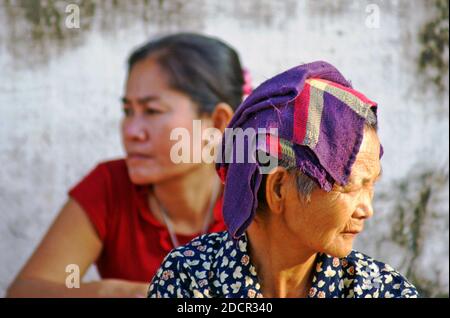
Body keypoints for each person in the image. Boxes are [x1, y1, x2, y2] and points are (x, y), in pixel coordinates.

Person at [147, 61, 419, 298]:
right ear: (278, 189)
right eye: (349, 187)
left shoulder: (379, 289)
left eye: (370, 186)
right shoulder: (190, 280)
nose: (366, 210)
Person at [7, 33, 249, 297]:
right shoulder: (110, 187)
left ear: (217, 123)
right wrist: (111, 292)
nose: (132, 131)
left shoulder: (260, 196)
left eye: (152, 111)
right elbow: (24, 290)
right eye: (128, 112)